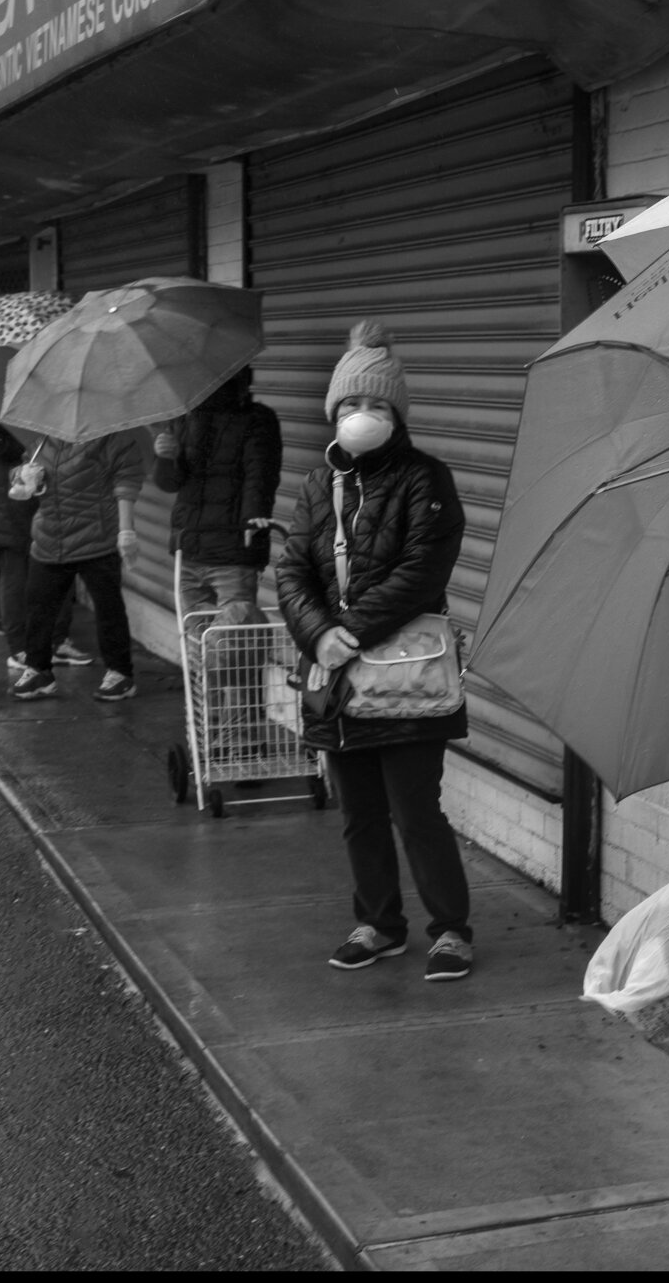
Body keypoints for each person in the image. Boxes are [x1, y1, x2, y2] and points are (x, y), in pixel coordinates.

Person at [275, 321, 474, 980]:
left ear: (399, 413)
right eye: (352, 405)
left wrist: (349, 631)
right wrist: (316, 633)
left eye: (378, 404)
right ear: (334, 411)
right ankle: (379, 923)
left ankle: (450, 929)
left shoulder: (428, 479)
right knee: (359, 812)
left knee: (417, 810)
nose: (363, 416)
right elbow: (292, 569)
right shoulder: (317, 485)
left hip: (404, 671)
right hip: (336, 679)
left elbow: (425, 568)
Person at [153, 365, 283, 756]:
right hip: (189, 548)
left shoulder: (258, 420)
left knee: (237, 649)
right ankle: (207, 738)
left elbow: (260, 476)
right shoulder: (184, 417)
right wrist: (165, 458)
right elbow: (171, 483)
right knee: (198, 650)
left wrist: (253, 524)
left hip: (232, 551)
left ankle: (241, 741)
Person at [8, 429, 144, 702]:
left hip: (97, 537)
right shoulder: (44, 438)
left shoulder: (113, 437)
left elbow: (126, 481)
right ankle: (39, 671)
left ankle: (120, 673)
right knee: (37, 606)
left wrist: (126, 529)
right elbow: (25, 469)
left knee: (108, 608)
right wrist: (22, 477)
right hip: (49, 538)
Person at [0, 406, 76, 673]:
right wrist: (32, 443)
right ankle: (18, 650)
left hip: (35, 504)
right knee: (14, 578)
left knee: (49, 573)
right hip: (5, 505)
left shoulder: (39, 401)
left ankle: (53, 641)